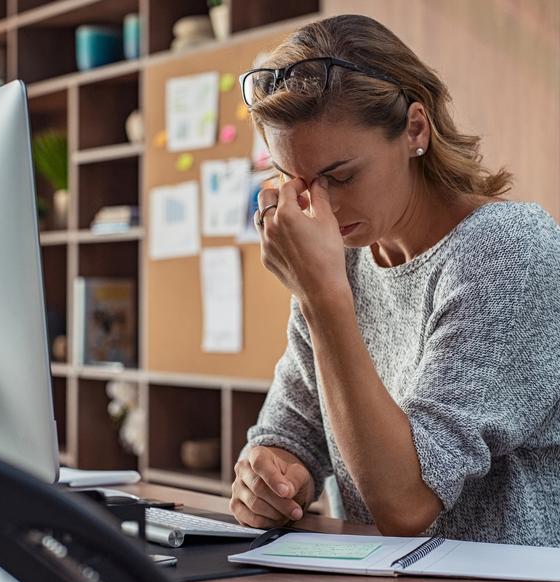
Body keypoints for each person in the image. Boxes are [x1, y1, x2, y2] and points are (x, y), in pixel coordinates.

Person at [230, 14, 560, 545]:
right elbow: (293, 430)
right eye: (297, 180)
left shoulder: (509, 251)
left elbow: (407, 503)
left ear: (415, 129)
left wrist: (322, 295)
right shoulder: (346, 262)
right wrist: (271, 475)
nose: (322, 206)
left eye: (341, 176)